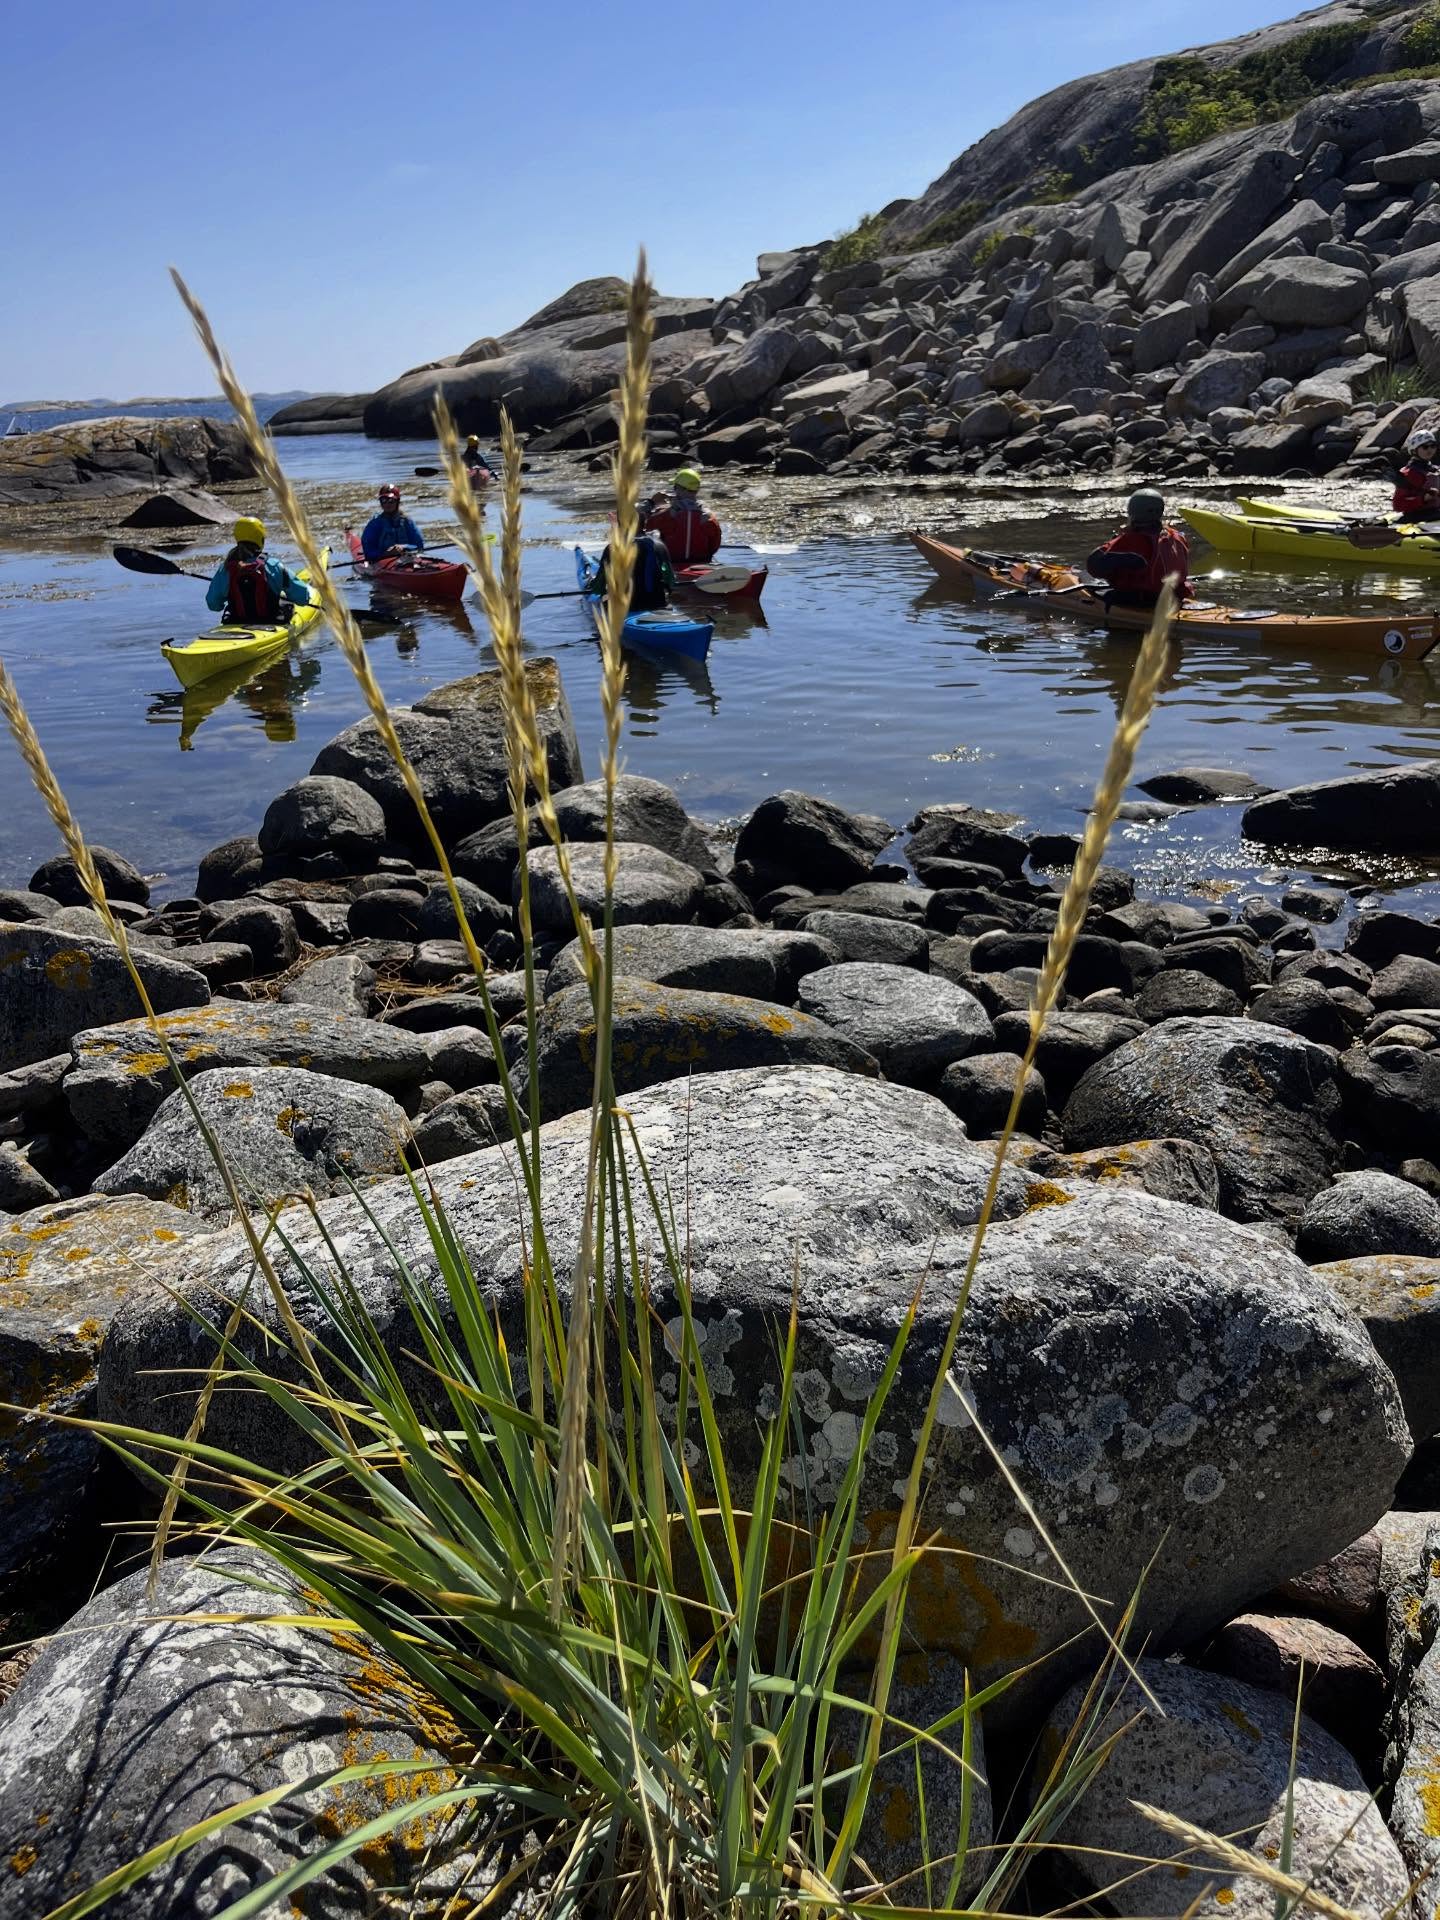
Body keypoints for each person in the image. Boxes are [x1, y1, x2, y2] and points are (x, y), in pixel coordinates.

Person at [1085, 489, 1190, 608]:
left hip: (1145, 602)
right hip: (1175, 597)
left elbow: (1094, 566)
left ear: (1133, 511)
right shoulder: (1178, 536)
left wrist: (1114, 541)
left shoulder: (1133, 541)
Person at [205, 517, 311, 624]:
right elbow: (302, 598)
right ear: (261, 539)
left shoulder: (226, 568)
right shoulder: (273, 565)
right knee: (287, 605)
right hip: (271, 621)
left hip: (236, 622)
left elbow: (213, 604)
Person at [589, 515, 676, 612]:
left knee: (602, 599)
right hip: (657, 603)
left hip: (627, 607)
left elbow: (599, 587)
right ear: (644, 526)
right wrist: (667, 589)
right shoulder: (659, 545)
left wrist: (593, 587)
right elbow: (670, 581)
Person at [645, 468, 722, 567]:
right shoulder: (709, 518)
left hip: (672, 565)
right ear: (696, 491)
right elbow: (714, 547)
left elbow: (643, 525)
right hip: (701, 565)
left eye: (675, 487)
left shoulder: (666, 515)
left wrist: (651, 503)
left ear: (680, 489)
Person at [360, 485, 426, 562]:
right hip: (382, 561)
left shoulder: (407, 522)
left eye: (391, 501)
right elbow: (368, 552)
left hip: (407, 558)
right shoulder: (375, 524)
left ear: (397, 502)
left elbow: (419, 545)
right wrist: (386, 553)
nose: (387, 504)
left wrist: (403, 547)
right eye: (384, 500)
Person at [1393, 429, 1440, 519]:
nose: (1430, 449)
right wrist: (1423, 499)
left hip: (1435, 514)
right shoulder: (1407, 474)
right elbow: (1398, 505)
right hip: (1416, 517)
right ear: (1414, 451)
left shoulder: (1436, 470)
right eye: (1425, 447)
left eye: (1433, 446)